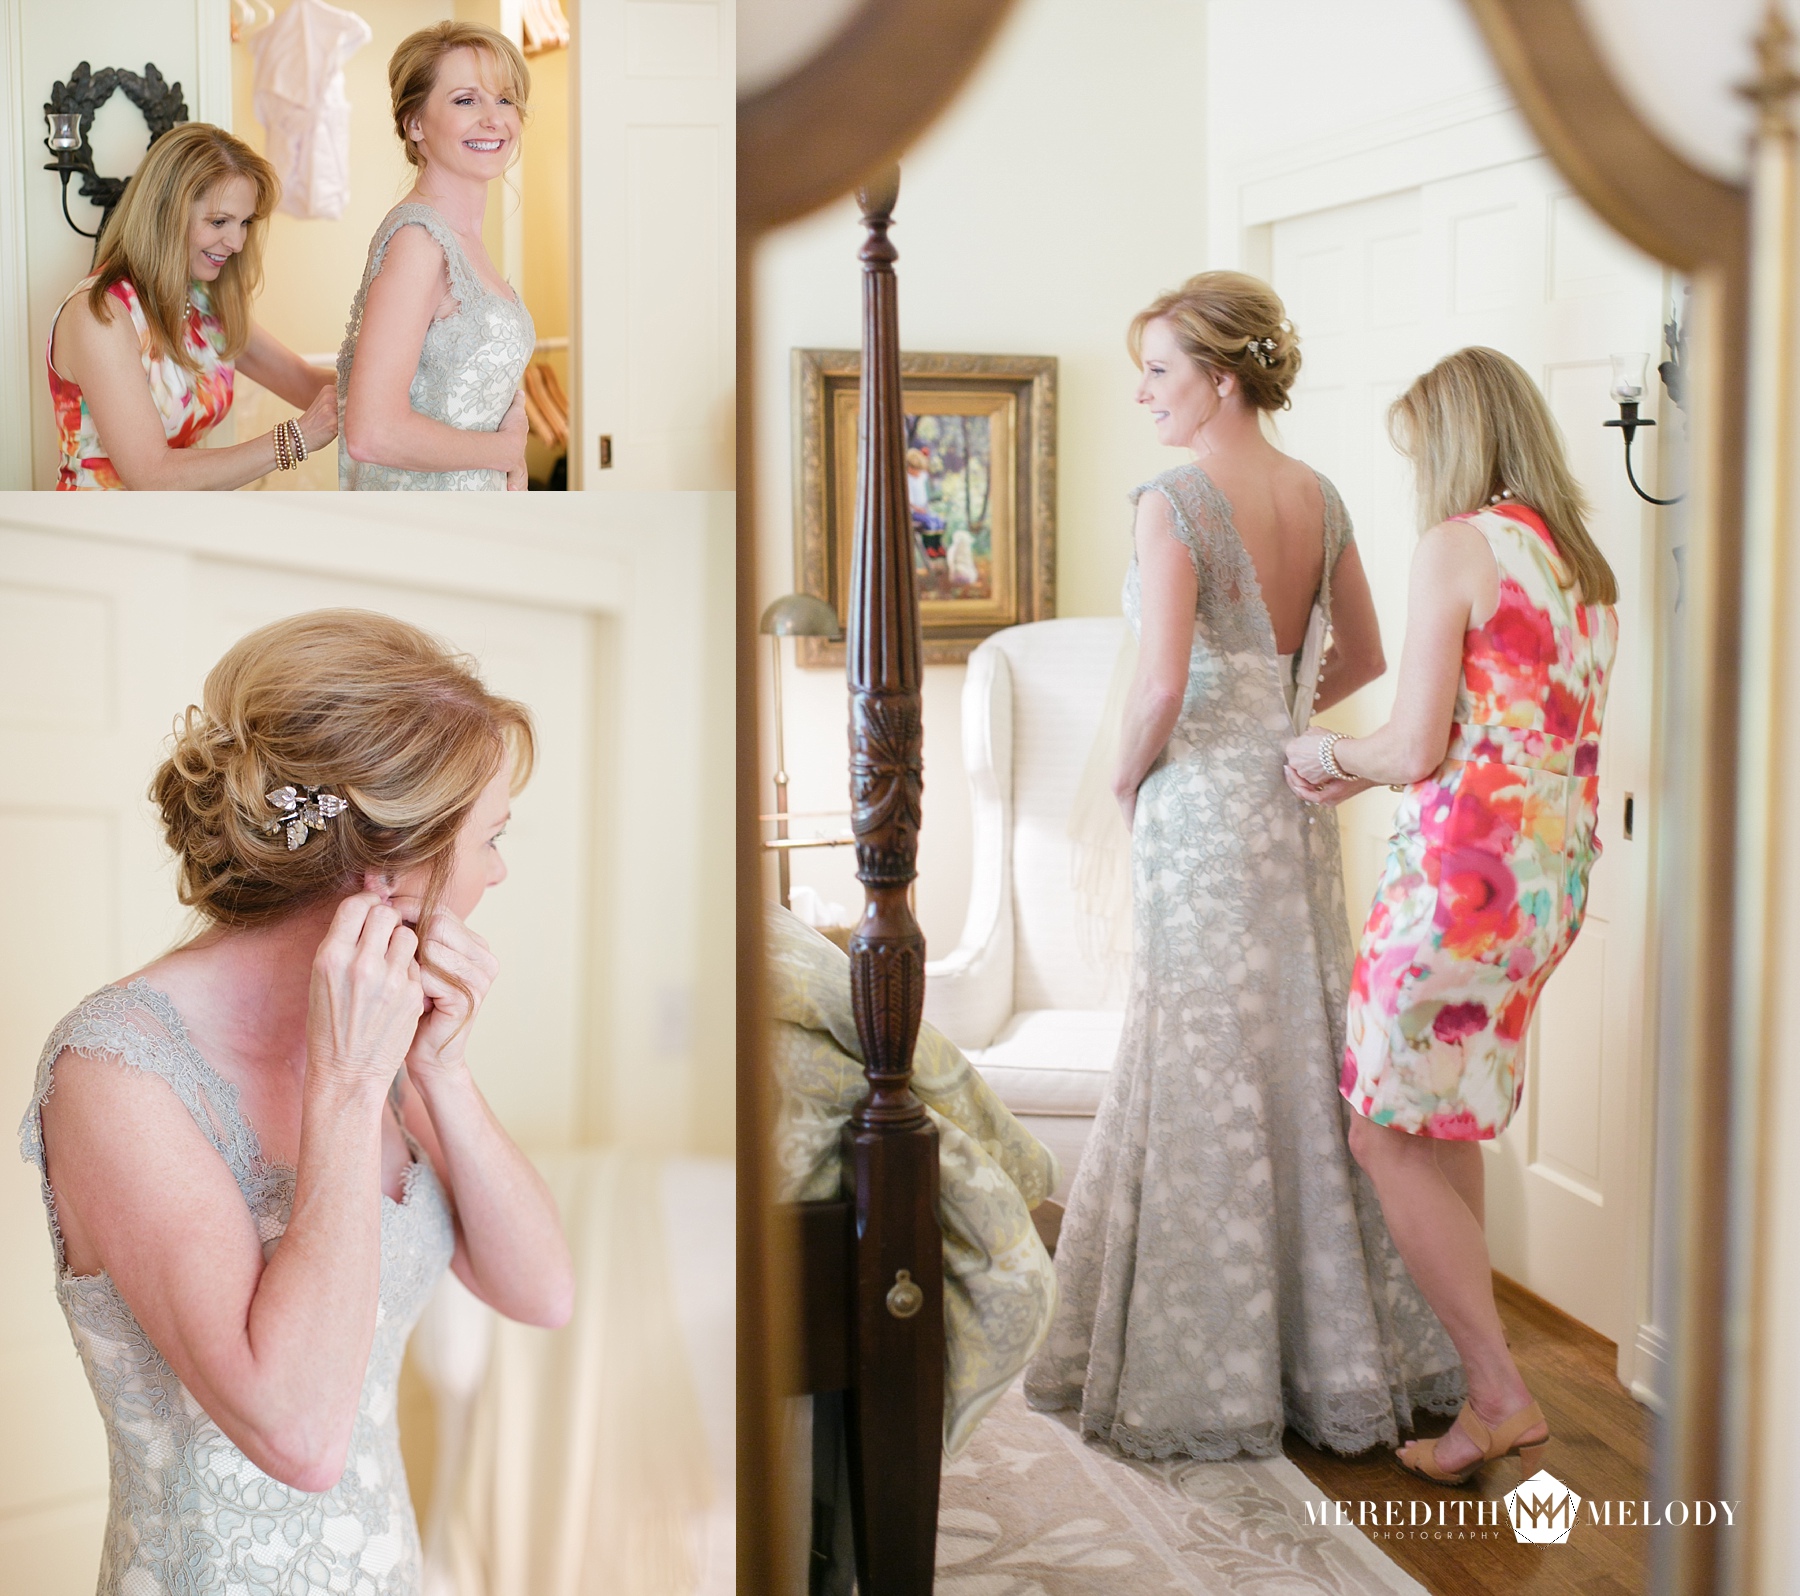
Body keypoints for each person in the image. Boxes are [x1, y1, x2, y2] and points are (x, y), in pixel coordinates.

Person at [21, 610, 574, 1591]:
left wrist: (442, 1071)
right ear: (390, 869)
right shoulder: (113, 1072)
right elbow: (300, 1436)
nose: (497, 871)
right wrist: (347, 1087)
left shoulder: (382, 1022)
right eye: (490, 839)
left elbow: (542, 1292)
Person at [1026, 271, 1465, 1461]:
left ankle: (1212, 1366)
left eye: (1159, 370)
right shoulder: (1320, 494)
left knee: (1201, 1056)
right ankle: (1334, 1355)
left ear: (1220, 379)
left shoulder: (1173, 500)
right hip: (1292, 795)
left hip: (1200, 813)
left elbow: (1161, 682)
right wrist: (1277, 715)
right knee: (1299, 1048)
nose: (1143, 392)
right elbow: (1365, 652)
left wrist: (1129, 779)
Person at [1285, 346, 1618, 1484]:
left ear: (1457, 440)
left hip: (1458, 892)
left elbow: (1414, 744)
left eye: (1420, 448)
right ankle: (1481, 1393)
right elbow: (1517, 738)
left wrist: (1326, 755)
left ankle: (1499, 1392)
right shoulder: (1581, 566)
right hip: (1547, 886)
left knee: (1380, 1132)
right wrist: (1373, 763)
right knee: (1444, 1124)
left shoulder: (1458, 545)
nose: (1419, 473)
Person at [46, 123, 338, 489]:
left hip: (183, 517)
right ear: (165, 213)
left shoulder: (203, 300)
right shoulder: (99, 315)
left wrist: (395, 381)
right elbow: (152, 475)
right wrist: (296, 437)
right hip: (102, 523)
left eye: (244, 222)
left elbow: (303, 382)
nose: (236, 242)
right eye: (219, 222)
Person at [338, 22, 534, 489]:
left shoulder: (462, 238)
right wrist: (506, 452)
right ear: (415, 124)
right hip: (424, 523)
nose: (493, 119)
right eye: (466, 100)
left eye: (505, 99)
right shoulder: (419, 241)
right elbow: (371, 432)